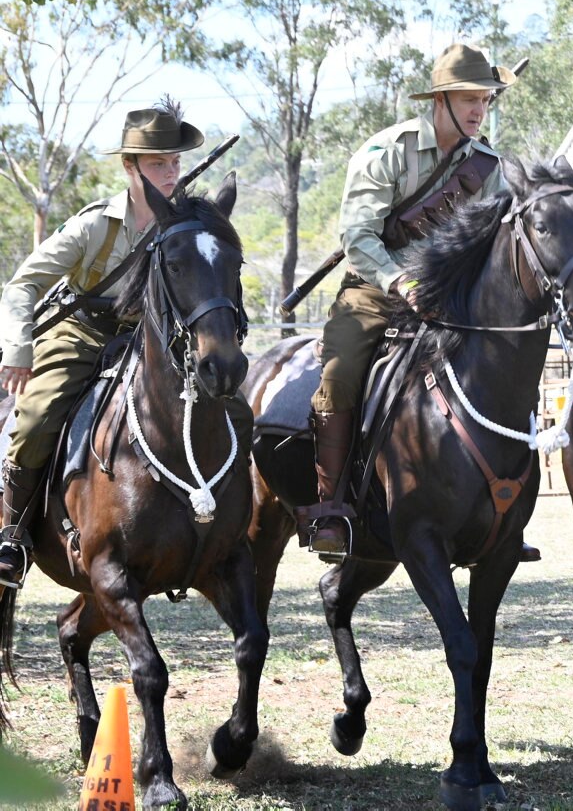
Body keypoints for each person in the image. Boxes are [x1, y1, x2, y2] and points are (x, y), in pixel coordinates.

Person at [304, 43, 545, 560]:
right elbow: (358, 237)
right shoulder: (386, 150)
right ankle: (332, 507)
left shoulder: (488, 168)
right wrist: (399, 282)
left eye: (485, 99)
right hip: (375, 289)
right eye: (469, 100)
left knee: (504, 368)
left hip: (451, 298)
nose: (480, 110)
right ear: (440, 101)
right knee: (340, 373)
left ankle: (505, 515)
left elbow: (492, 243)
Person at [0, 98, 251, 588]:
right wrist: (18, 349)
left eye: (174, 161)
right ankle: (11, 534)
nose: (170, 171)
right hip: (83, 333)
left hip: (149, 340)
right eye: (158, 162)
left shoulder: (184, 226)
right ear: (129, 165)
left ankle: (230, 523)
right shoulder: (95, 224)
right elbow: (21, 286)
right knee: (35, 417)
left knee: (237, 411)